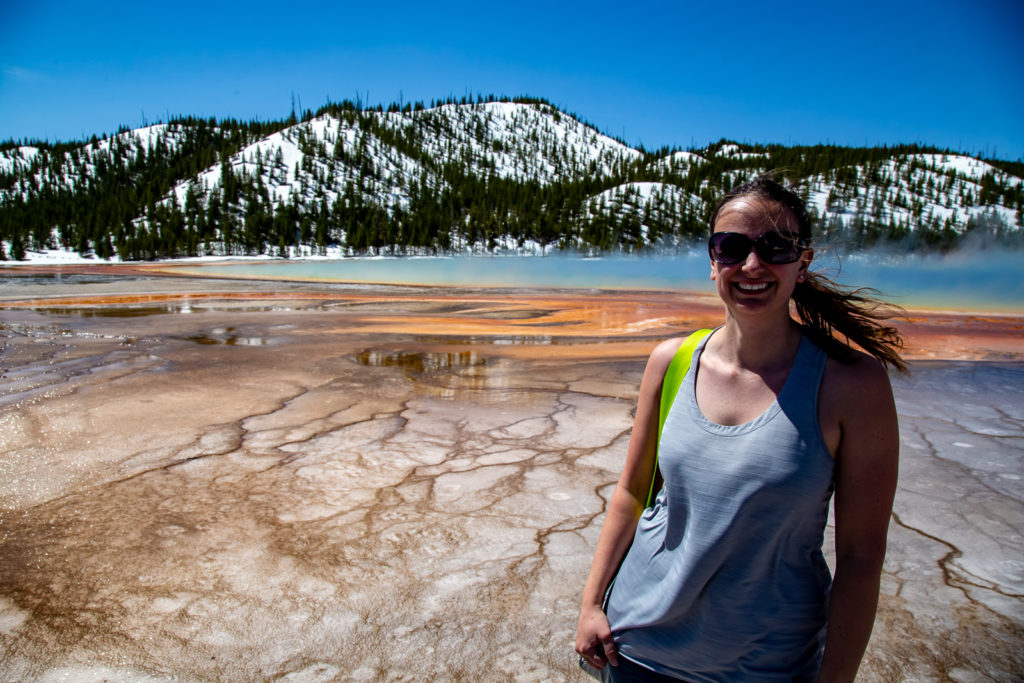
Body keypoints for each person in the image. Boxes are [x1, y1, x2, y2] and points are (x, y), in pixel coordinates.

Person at [574, 175, 904, 682]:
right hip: (636, 648)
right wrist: (592, 603)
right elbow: (631, 494)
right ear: (712, 261)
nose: (752, 265)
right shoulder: (673, 361)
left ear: (803, 262)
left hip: (766, 665)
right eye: (732, 247)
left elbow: (861, 557)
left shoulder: (851, 384)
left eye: (775, 246)